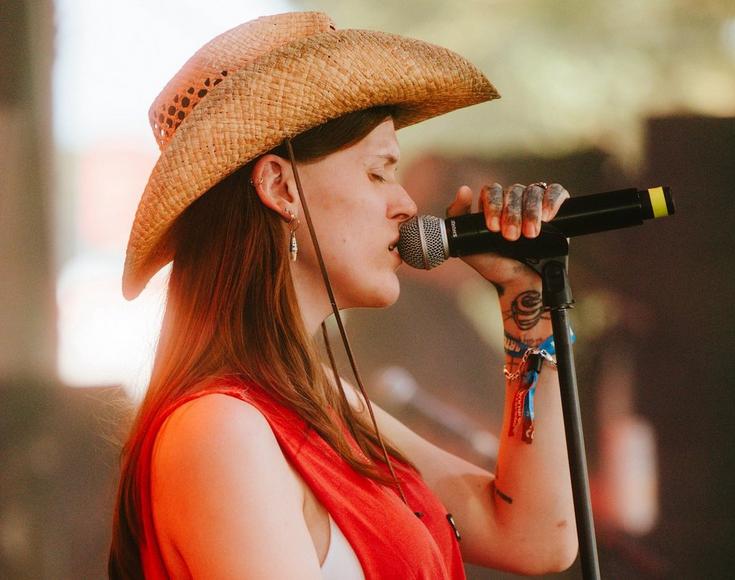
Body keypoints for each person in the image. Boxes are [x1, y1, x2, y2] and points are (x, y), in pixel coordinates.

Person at [109, 11, 577, 579]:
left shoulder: (316, 397)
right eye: (379, 173)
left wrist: (526, 302)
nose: (405, 204)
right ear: (281, 187)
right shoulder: (220, 429)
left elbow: (531, 536)